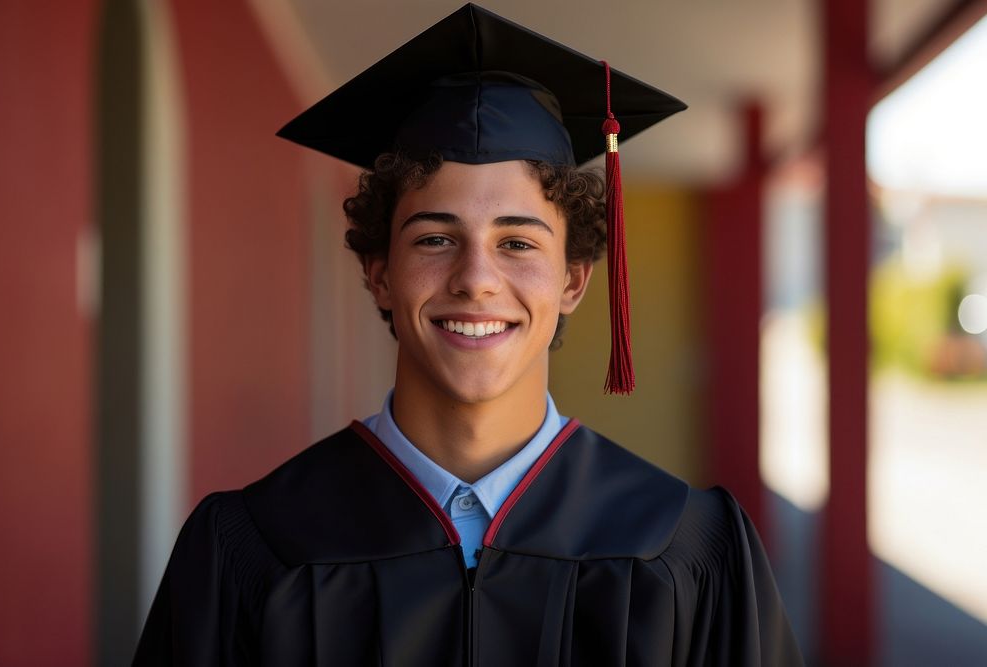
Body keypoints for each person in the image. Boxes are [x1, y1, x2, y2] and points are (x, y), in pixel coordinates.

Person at [134, 4, 803, 665]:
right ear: (378, 274)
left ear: (574, 280)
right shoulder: (252, 547)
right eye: (435, 238)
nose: (476, 278)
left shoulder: (685, 545)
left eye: (517, 242)